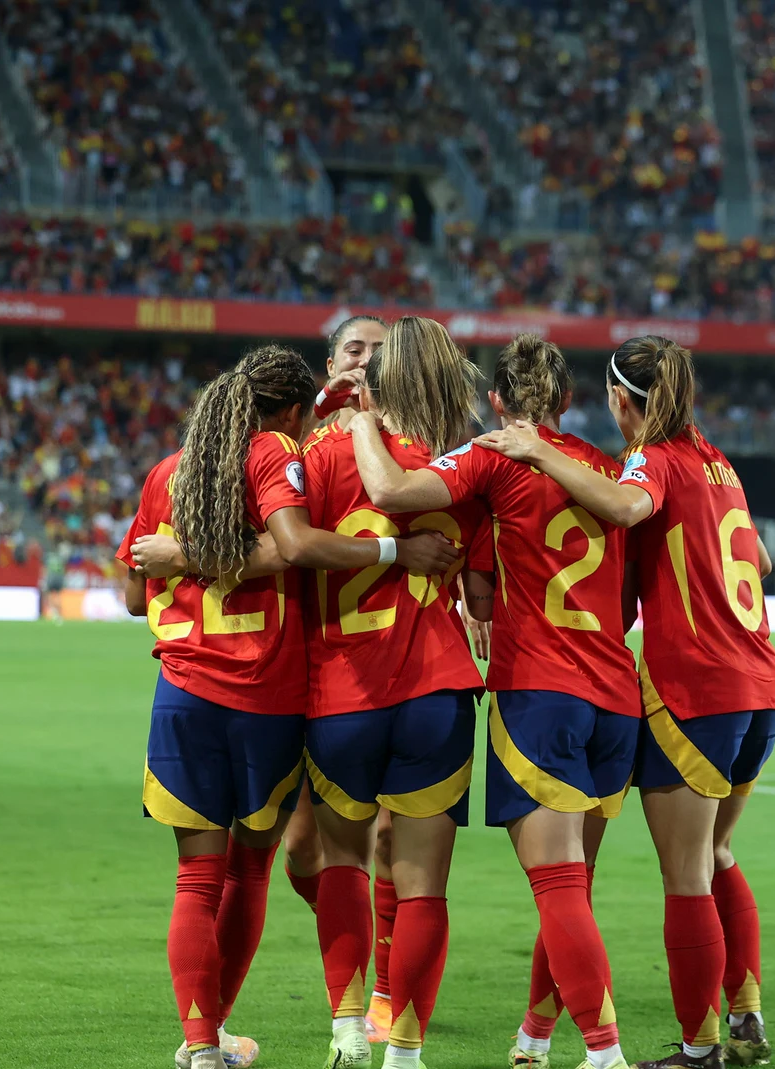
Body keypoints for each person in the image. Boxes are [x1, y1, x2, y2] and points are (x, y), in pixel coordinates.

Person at [117, 343, 450, 1069]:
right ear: (292, 412)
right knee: (248, 871)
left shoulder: (168, 473)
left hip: (181, 695)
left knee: (195, 880)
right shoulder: (276, 455)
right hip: (267, 699)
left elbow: (133, 587)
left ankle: (204, 1044)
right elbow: (295, 547)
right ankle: (360, 1027)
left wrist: (187, 556)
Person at [474, 336, 775, 1069]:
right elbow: (763, 562)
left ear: (619, 399)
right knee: (716, 852)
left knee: (686, 875)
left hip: (696, 685)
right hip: (760, 682)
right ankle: (745, 1016)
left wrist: (538, 451)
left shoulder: (653, 457)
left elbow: (624, 504)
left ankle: (699, 1049)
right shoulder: (719, 462)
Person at [347, 334, 638, 1069]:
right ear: (569, 400)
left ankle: (605, 1055)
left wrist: (360, 421)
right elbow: (630, 595)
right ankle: (535, 1035)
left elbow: (391, 495)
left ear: (497, 401)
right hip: (616, 695)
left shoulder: (494, 455)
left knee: (560, 886)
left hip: (542, 691)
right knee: (573, 883)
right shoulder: (607, 469)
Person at [297, 317, 492, 1069]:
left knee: (340, 865)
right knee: (422, 887)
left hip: (341, 687)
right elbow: (483, 591)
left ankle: (347, 1027)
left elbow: (283, 547)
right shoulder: (461, 466)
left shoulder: (318, 455)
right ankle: (404, 1050)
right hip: (437, 690)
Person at [285, 312, 405, 1043]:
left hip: (400, 663)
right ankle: (360, 949)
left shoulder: (415, 439)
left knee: (391, 839)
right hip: (315, 666)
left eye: (379, 352)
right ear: (329, 360)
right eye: (354, 348)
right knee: (304, 850)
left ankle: (385, 989)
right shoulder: (296, 443)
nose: (365, 360)